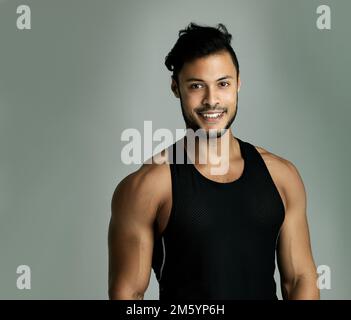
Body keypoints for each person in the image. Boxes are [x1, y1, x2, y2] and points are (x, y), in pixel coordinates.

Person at [108, 23, 319, 300]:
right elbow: (128, 295)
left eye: (223, 84)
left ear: (238, 83)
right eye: (197, 86)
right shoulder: (147, 186)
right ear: (176, 88)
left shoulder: (282, 176)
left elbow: (300, 279)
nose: (212, 100)